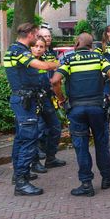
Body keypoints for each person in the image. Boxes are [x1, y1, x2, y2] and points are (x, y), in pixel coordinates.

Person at [51, 33, 110, 197]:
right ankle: (107, 178)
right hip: (97, 108)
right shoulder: (98, 58)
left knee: (81, 146)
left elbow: (55, 81)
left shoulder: (69, 59)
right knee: (101, 142)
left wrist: (62, 100)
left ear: (76, 43)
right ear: (91, 45)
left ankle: (86, 184)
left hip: (76, 110)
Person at [4, 23, 59, 196]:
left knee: (21, 139)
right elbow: (41, 66)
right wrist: (57, 63)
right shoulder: (19, 51)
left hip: (22, 99)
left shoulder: (13, 49)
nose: (37, 38)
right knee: (28, 139)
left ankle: (19, 174)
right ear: (29, 34)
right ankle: (21, 183)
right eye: (35, 34)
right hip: (24, 101)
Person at [28, 37, 66, 173]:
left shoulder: (46, 60)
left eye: (41, 46)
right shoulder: (27, 61)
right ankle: (35, 162)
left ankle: (51, 158)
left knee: (55, 127)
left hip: (46, 99)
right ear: (31, 47)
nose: (38, 49)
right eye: (36, 46)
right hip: (32, 101)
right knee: (34, 132)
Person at [35, 28, 62, 163]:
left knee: (53, 126)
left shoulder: (52, 53)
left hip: (50, 93)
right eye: (44, 36)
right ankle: (40, 152)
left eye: (49, 36)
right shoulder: (36, 55)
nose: (48, 38)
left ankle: (50, 156)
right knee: (41, 127)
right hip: (39, 96)